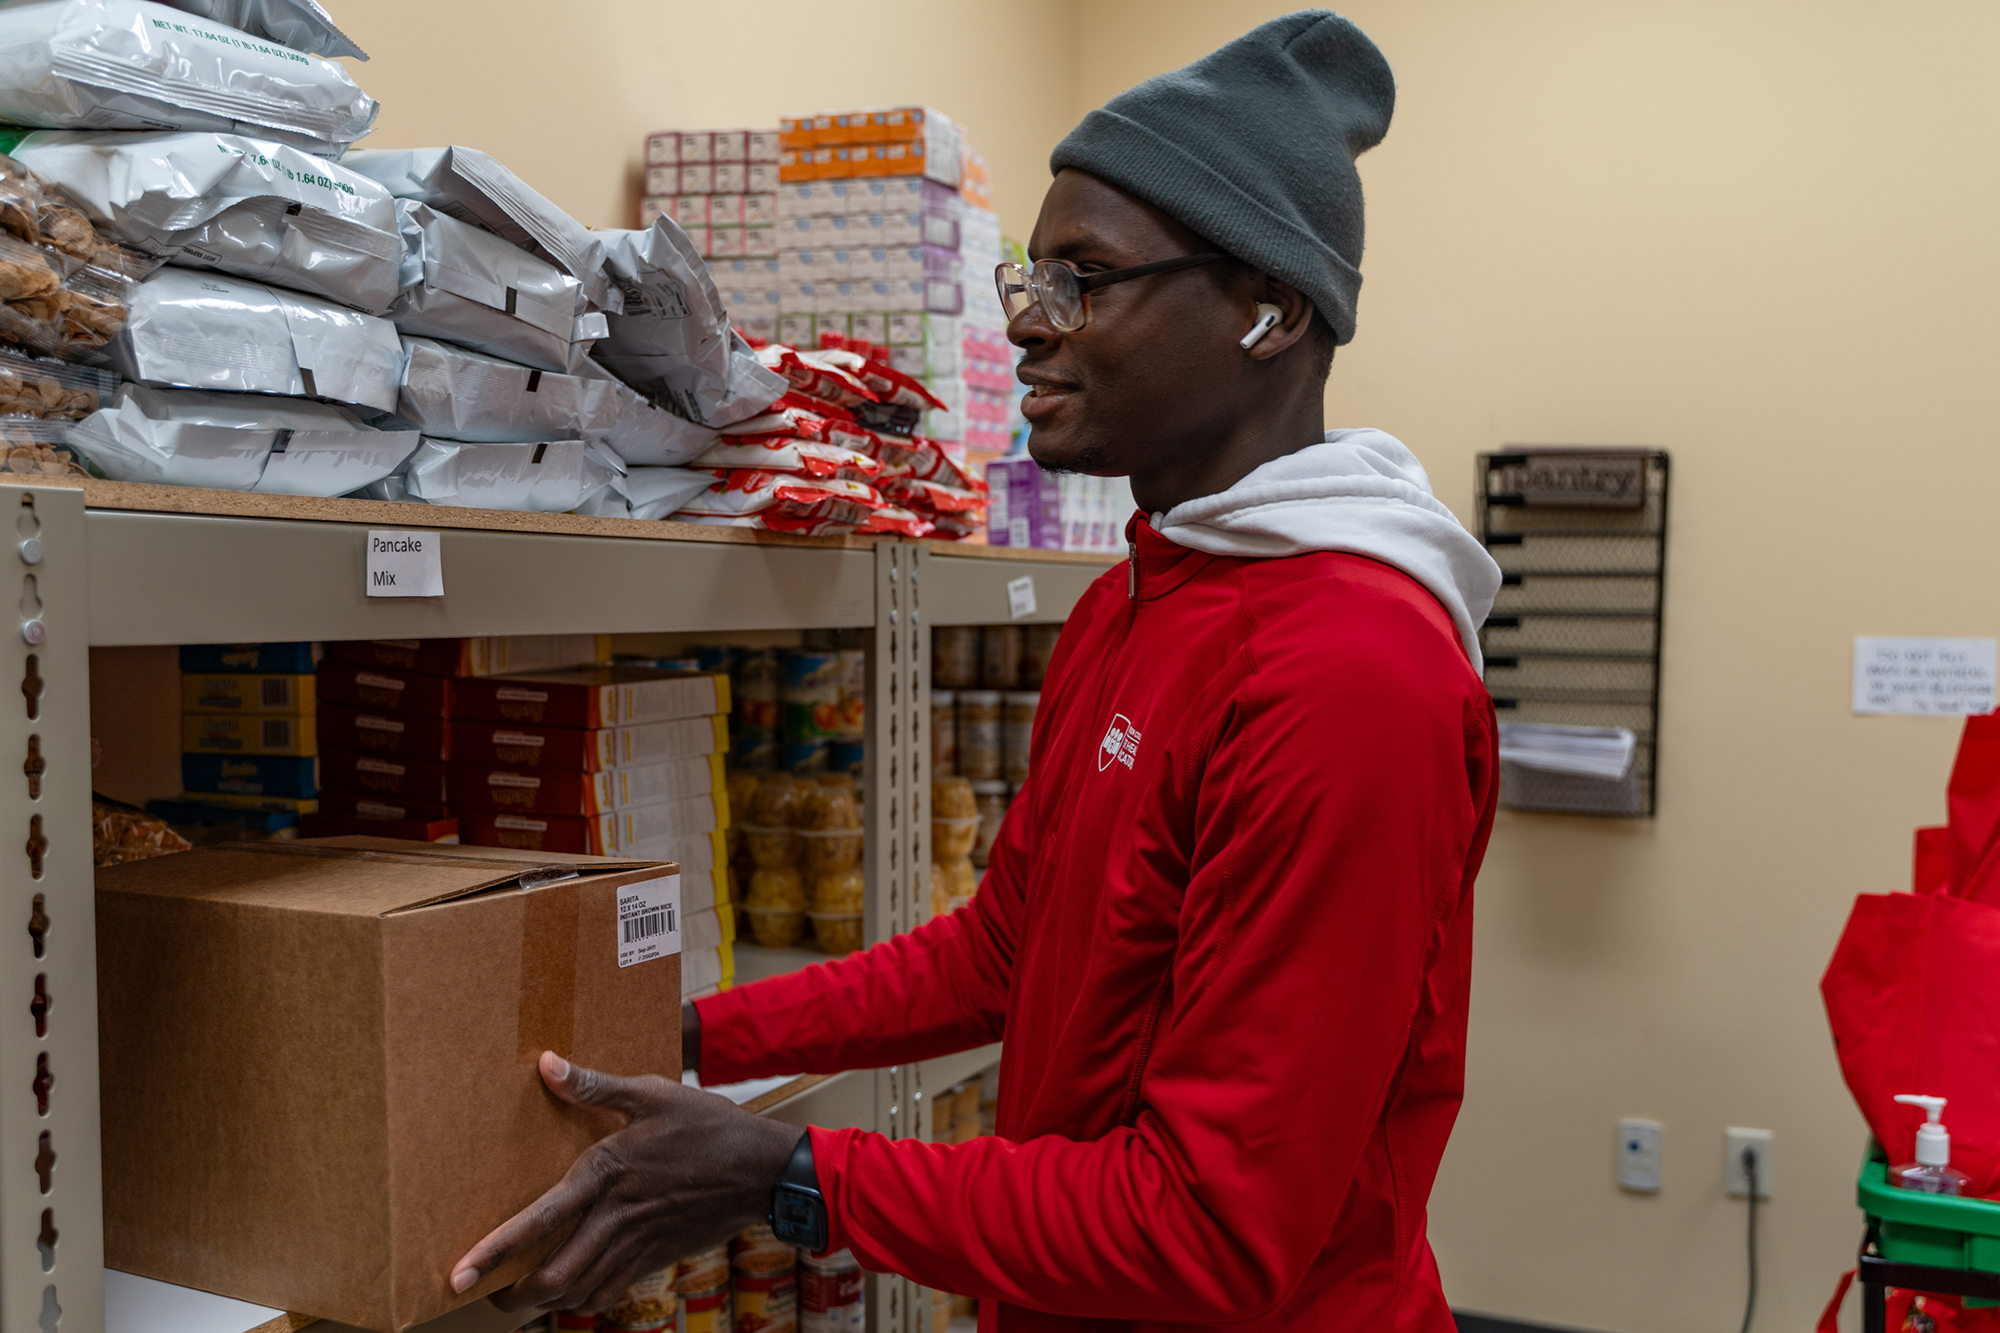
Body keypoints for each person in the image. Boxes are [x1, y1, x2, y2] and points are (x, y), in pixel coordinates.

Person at [452, 11, 1504, 1329]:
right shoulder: (1136, 599)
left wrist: (790, 1171)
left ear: (1268, 310)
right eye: (1026, 276)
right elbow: (1005, 951)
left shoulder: (1352, 673)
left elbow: (1218, 1225)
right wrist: (685, 1034)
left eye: (1085, 279)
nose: (1028, 323)